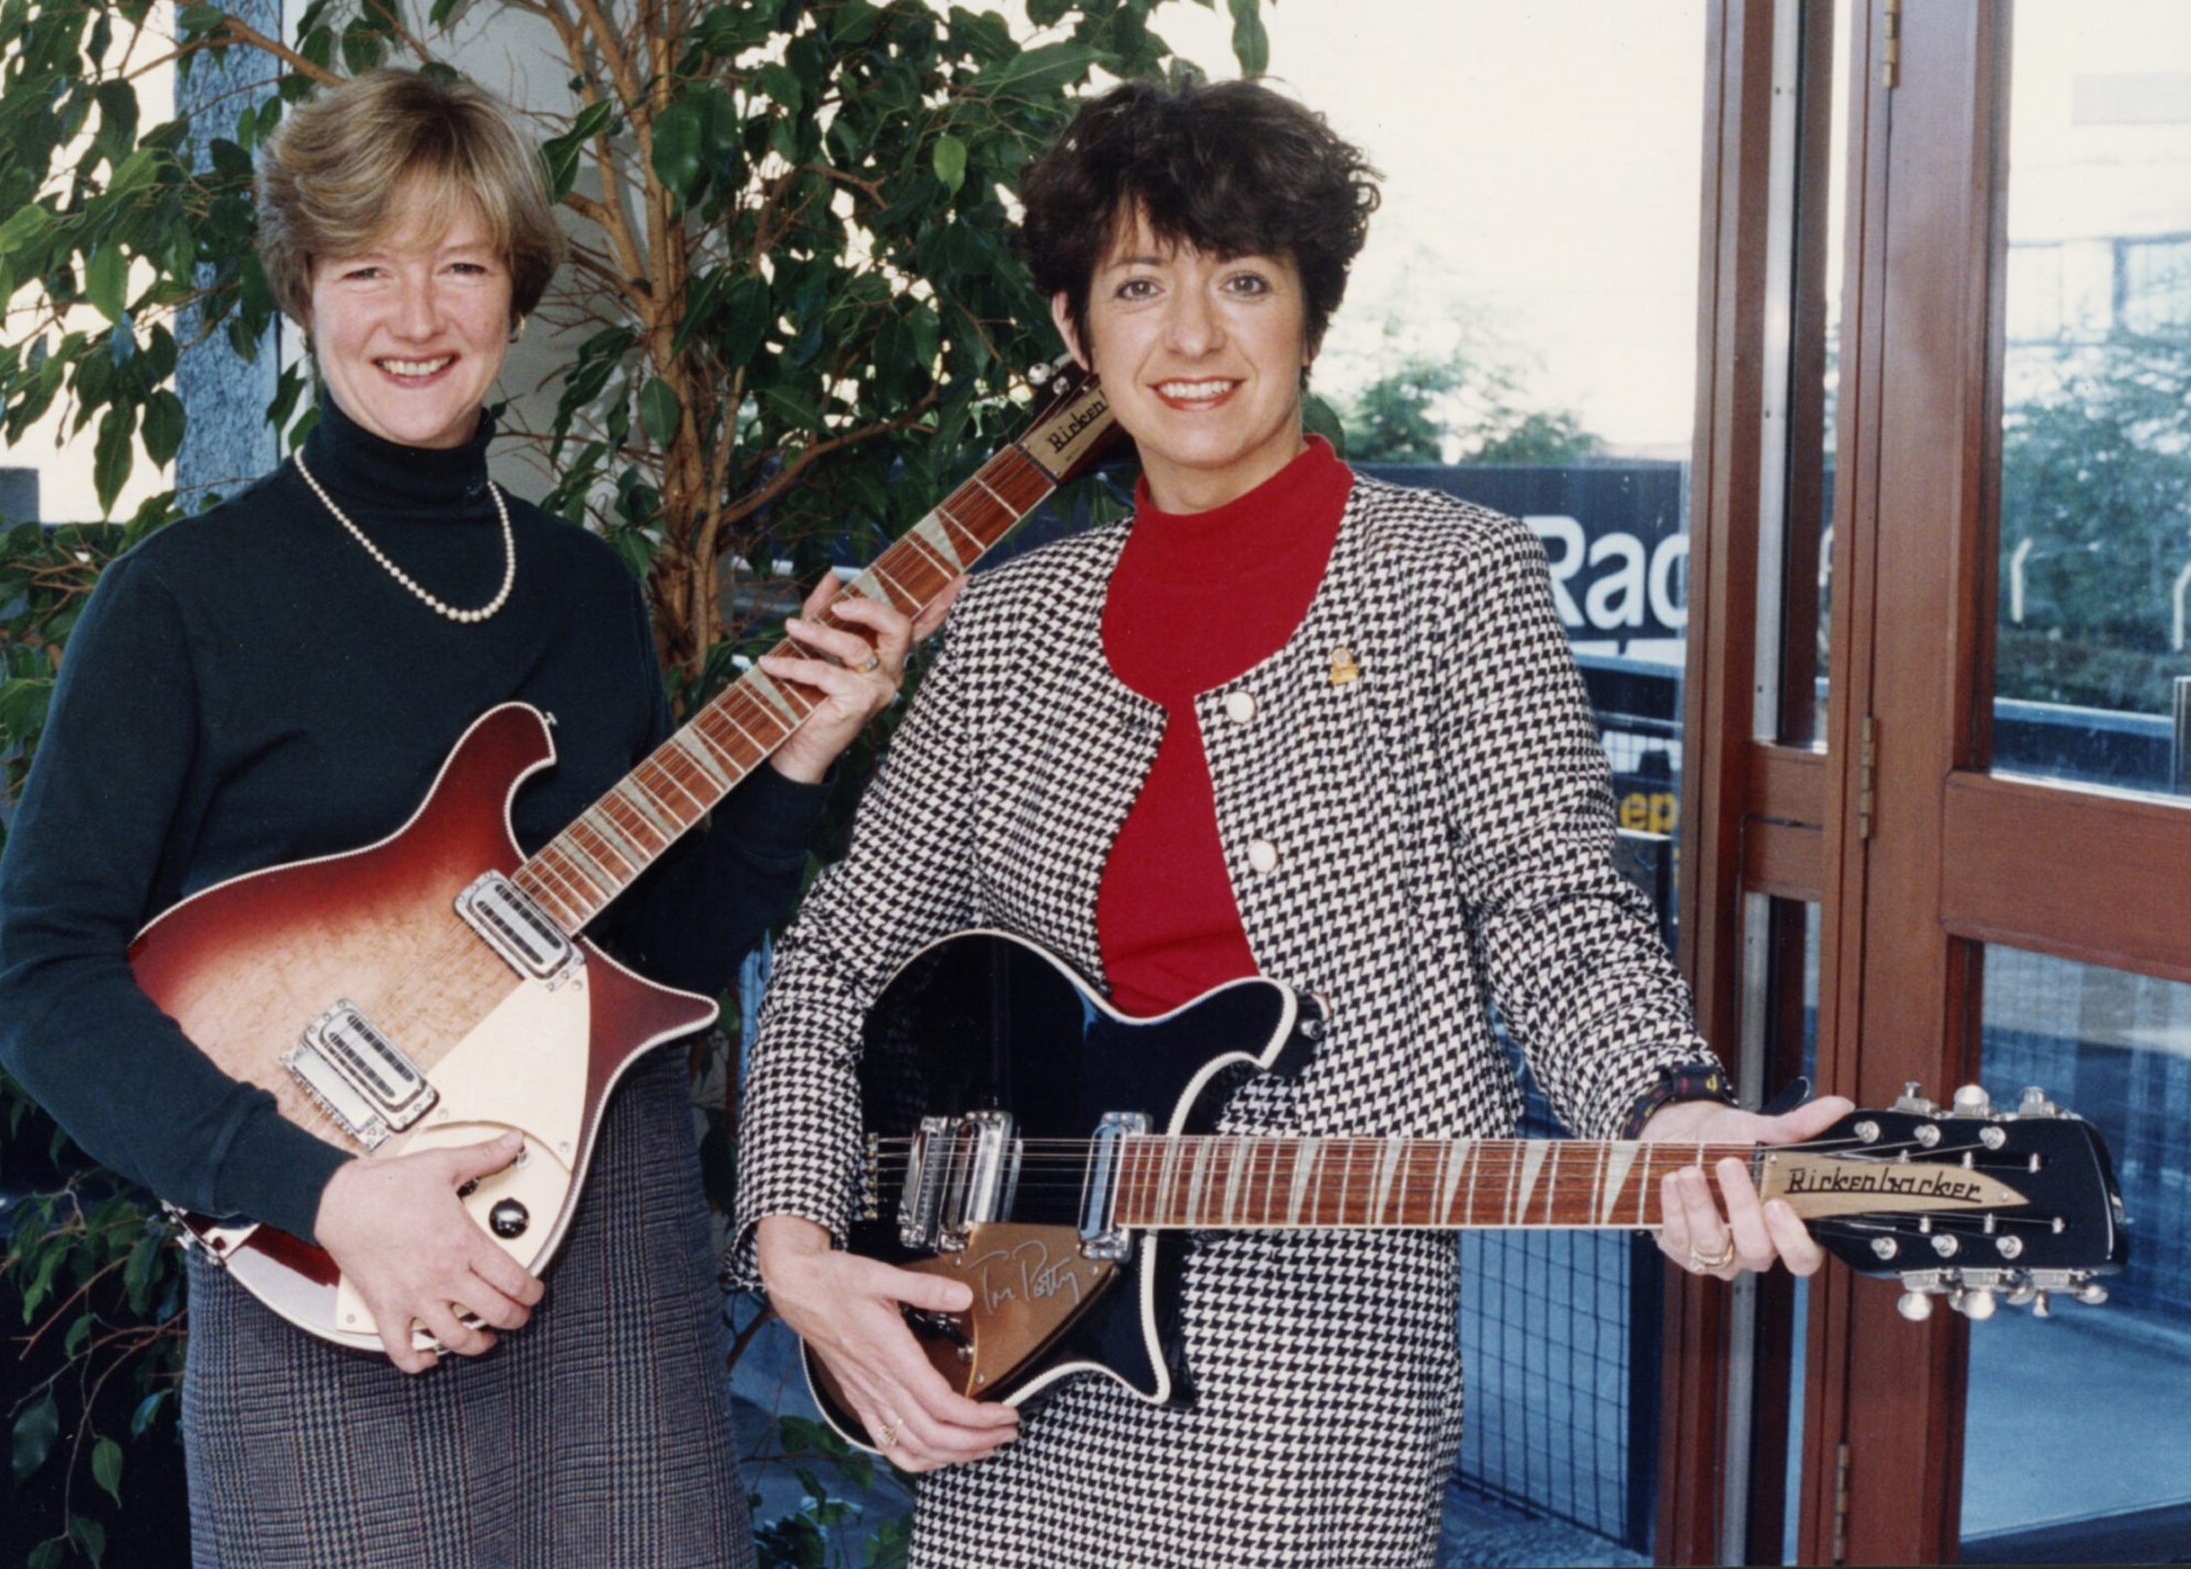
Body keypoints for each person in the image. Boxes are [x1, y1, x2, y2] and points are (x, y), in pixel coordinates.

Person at [731, 77, 1851, 1567]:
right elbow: (833, 966)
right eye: (1139, 286)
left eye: (1242, 281)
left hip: (1318, 1370)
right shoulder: (1006, 632)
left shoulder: (1455, 580)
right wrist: (798, 1251)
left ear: (1312, 315)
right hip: (1008, 1353)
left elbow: (1553, 905)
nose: (1191, 338)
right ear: (1077, 332)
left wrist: (1666, 1108)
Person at [0, 69, 934, 1566]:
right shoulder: (181, 601)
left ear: (512, 291)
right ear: (307, 289)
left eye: (460, 265)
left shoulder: (581, 592)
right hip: (336, 1271)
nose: (415, 315)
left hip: (610, 1249)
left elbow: (658, 952)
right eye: (368, 266)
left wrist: (796, 761)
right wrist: (325, 1191)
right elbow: (38, 976)